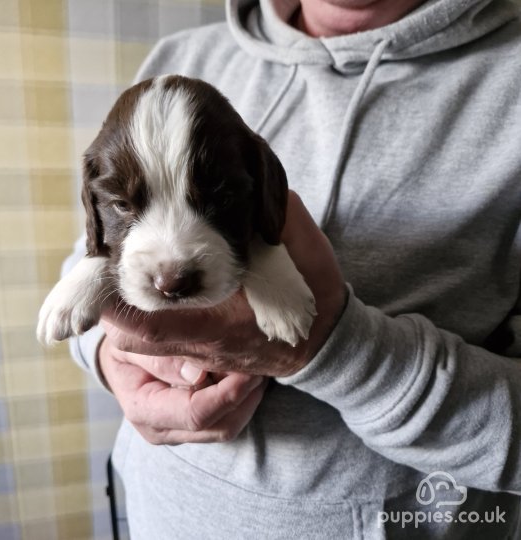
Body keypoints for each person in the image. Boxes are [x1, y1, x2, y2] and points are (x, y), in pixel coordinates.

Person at [67, 0, 521, 537]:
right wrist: (107, 352)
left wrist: (336, 349)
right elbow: (102, 249)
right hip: (156, 513)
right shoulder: (181, 56)